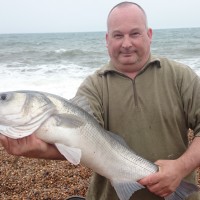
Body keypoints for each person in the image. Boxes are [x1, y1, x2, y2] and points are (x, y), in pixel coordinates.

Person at [0, 1, 200, 200]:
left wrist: (180, 168)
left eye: (135, 33)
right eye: (118, 35)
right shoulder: (93, 87)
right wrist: (37, 150)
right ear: (107, 39)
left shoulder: (180, 76)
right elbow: (79, 144)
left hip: (180, 192)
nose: (126, 43)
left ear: (149, 35)